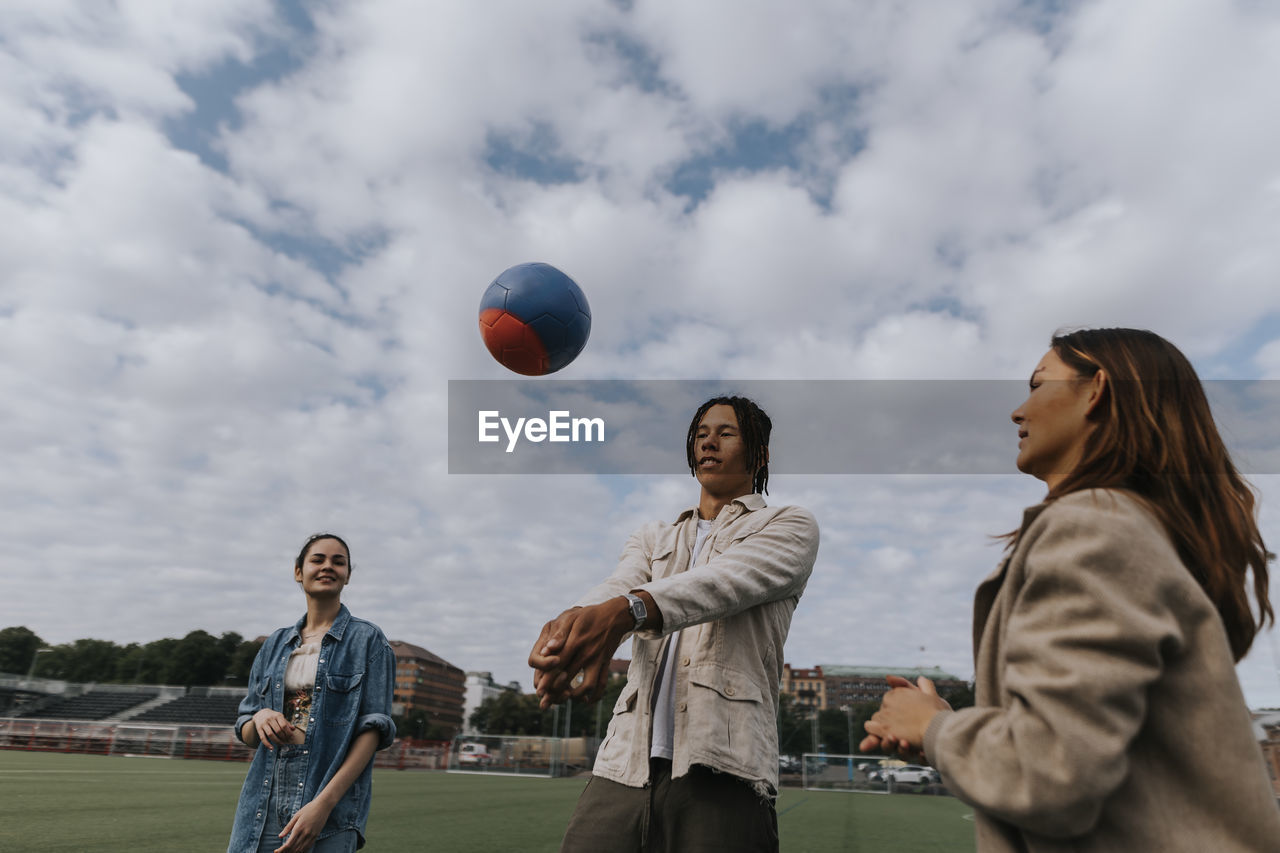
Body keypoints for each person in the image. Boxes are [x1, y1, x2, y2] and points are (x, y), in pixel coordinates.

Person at [862, 328, 1280, 851]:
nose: (1018, 411)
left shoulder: (1094, 526)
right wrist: (952, 729)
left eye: (1039, 385)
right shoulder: (1138, 531)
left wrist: (934, 730)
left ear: (1097, 390)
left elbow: (1053, 773)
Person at [529, 395, 820, 853]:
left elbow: (721, 584)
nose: (709, 442)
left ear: (760, 454)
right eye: (701, 433)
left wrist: (628, 610)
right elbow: (616, 587)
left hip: (725, 766)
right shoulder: (653, 536)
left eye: (726, 433)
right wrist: (567, 630)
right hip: (624, 764)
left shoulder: (789, 525)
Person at [227, 534, 396, 853]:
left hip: (328, 811)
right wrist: (260, 716)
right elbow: (247, 732)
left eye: (338, 561)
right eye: (318, 559)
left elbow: (374, 731)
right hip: (261, 808)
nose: (328, 566)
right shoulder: (273, 646)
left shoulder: (369, 641)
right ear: (298, 571)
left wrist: (323, 806)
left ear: (347, 575)